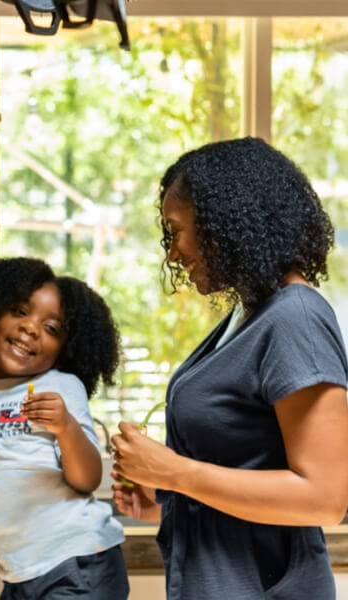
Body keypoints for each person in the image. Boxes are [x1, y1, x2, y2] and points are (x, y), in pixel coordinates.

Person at [111, 136, 348, 600]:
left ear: (225, 223)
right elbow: (250, 469)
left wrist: (176, 474)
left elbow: (324, 498)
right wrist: (169, 501)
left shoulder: (294, 317)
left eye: (175, 230)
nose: (173, 252)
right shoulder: (250, 313)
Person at [0, 257, 129, 599]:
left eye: (51, 328)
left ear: (65, 351)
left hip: (79, 561)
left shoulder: (61, 387)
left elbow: (88, 480)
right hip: (18, 573)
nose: (31, 328)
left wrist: (65, 427)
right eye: (19, 311)